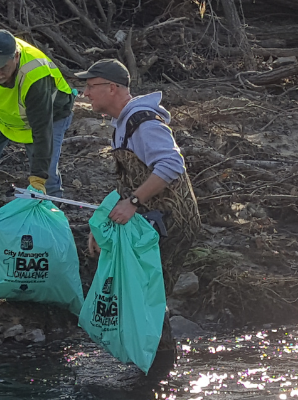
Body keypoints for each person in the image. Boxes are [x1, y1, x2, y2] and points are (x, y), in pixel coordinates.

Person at [76, 58, 202, 377]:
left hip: (173, 223)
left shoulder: (144, 122)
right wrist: (103, 228)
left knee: (149, 299)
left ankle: (158, 375)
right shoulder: (121, 123)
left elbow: (172, 165)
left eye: (91, 86)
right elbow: (127, 183)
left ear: (112, 88)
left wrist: (133, 201)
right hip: (151, 225)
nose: (85, 93)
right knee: (145, 297)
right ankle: (153, 371)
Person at [0, 29, 75, 243]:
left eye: (2, 67)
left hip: (49, 116)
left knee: (46, 177)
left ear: (15, 57)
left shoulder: (35, 76)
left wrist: (38, 176)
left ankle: (51, 233)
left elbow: (42, 131)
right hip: (4, 113)